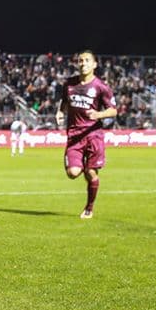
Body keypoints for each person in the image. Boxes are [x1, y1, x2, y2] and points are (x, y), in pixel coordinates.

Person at [56, 50, 117, 220]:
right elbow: (64, 102)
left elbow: (113, 110)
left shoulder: (101, 87)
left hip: (93, 135)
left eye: (87, 60)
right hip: (74, 136)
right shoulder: (69, 84)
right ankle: (80, 164)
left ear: (94, 64)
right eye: (80, 61)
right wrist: (60, 112)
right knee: (73, 173)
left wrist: (99, 115)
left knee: (90, 173)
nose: (83, 63)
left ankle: (89, 207)